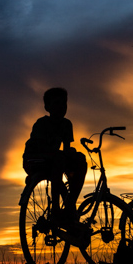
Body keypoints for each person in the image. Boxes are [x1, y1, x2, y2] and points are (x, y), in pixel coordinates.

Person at [22, 87, 88, 227]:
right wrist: (64, 154)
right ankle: (56, 210)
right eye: (57, 103)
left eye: (64, 103)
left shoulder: (66, 124)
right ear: (47, 107)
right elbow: (40, 147)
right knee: (59, 158)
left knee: (81, 160)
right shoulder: (41, 124)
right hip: (34, 159)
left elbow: (66, 148)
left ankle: (70, 204)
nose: (61, 107)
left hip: (54, 159)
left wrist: (71, 154)